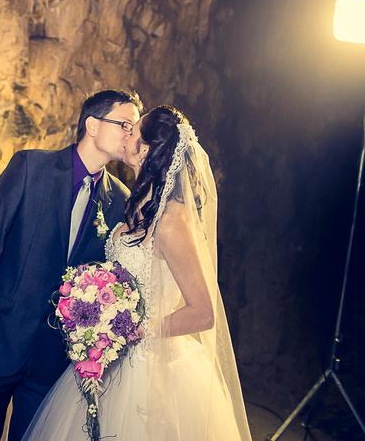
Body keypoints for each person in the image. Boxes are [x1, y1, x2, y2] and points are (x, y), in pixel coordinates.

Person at [23, 105, 252, 440]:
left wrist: (135, 329)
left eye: (133, 130)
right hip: (112, 357)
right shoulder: (136, 203)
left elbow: (203, 313)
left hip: (151, 367)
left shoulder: (172, 221)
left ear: (145, 150)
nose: (125, 134)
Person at [0, 89, 143, 440]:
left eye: (134, 127)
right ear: (92, 125)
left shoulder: (119, 200)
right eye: (124, 124)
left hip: (54, 358)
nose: (131, 134)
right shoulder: (29, 168)